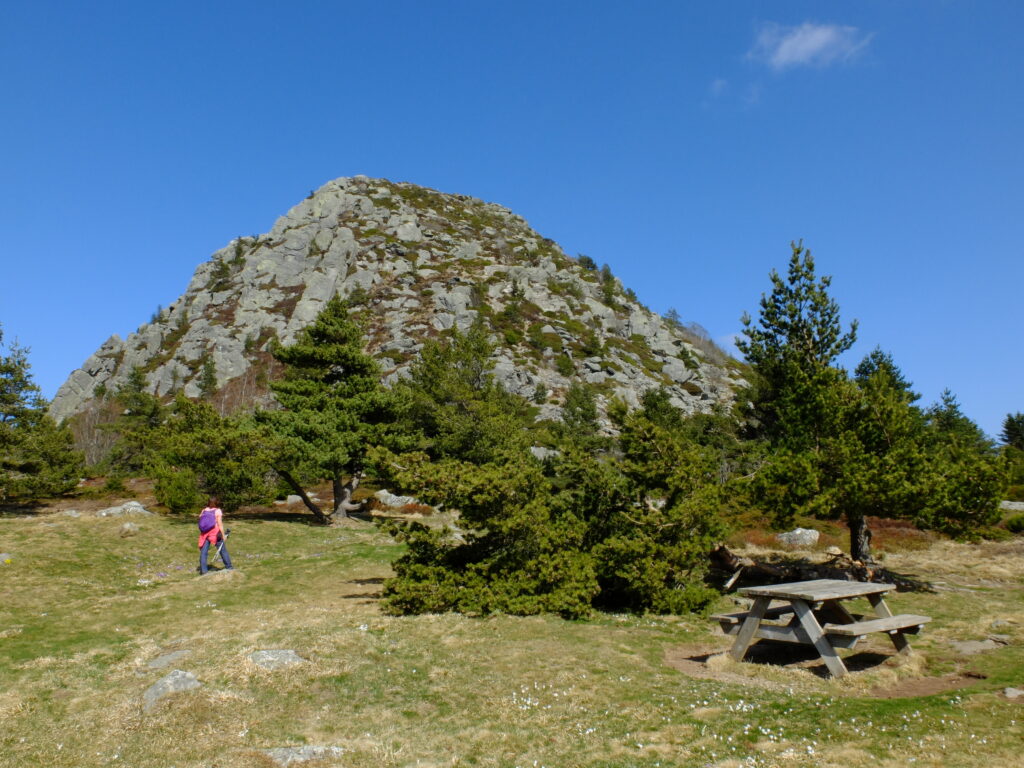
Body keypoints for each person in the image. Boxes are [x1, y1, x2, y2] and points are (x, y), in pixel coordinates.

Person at [198, 496, 233, 574]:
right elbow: (220, 524)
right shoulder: (218, 511)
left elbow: (200, 518)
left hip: (205, 533)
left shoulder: (204, 510)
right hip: (215, 534)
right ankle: (229, 567)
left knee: (204, 552)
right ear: (216, 502)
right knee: (222, 550)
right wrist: (223, 535)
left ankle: (204, 571)